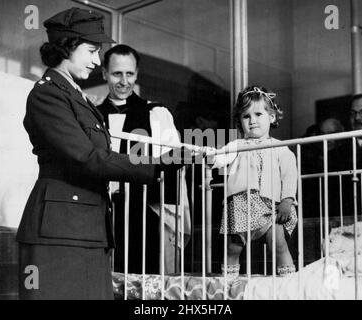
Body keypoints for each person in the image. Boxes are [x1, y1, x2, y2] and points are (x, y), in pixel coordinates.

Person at [17, 7, 189, 300]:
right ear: (67, 46)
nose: (97, 61)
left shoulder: (73, 94)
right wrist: (156, 165)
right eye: (92, 50)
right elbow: (87, 157)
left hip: (86, 227)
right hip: (61, 230)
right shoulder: (48, 94)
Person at [97, 44, 191, 274]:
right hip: (102, 210)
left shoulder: (156, 114)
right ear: (104, 73)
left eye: (130, 74)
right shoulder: (92, 115)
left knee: (148, 278)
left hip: (147, 210)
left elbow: (175, 157)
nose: (124, 81)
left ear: (137, 74)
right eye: (117, 73)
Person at [208, 85, 298, 279]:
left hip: (270, 205)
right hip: (241, 205)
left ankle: (289, 282)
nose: (252, 120)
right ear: (240, 121)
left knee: (278, 242)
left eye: (258, 114)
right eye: (246, 116)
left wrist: (287, 200)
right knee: (233, 247)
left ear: (272, 117)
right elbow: (220, 158)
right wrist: (210, 158)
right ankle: (228, 283)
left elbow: (289, 175)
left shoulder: (281, 148)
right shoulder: (237, 145)